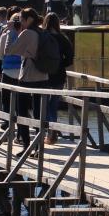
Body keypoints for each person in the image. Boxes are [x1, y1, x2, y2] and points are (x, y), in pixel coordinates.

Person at [0, 7, 52, 143]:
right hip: (43, 76)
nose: (20, 22)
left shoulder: (27, 33)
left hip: (28, 77)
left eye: (22, 19)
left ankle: (26, 143)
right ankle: (38, 144)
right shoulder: (42, 32)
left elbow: (8, 51)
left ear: (29, 19)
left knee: (22, 111)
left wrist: (11, 32)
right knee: (39, 113)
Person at [42, 12, 73, 143]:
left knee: (44, 103)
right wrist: (60, 64)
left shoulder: (43, 36)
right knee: (53, 104)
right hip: (59, 74)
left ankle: (48, 131)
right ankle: (52, 131)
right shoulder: (63, 38)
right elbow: (70, 58)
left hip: (44, 74)